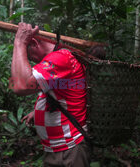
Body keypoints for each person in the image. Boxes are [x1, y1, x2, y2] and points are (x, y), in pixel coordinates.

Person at [10, 22, 90, 167]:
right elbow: (62, 92)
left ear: (33, 42)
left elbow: (20, 86)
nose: (32, 60)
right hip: (56, 149)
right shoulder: (58, 58)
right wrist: (38, 111)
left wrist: (19, 42)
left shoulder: (61, 57)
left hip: (70, 149)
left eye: (29, 56)